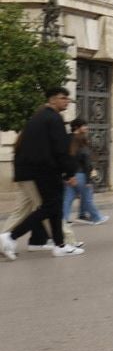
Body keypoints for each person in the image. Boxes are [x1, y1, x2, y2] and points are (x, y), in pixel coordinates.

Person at [0, 87, 82, 259]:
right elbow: (60, 149)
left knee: (52, 208)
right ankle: (10, 236)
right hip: (44, 171)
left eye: (68, 98)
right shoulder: (54, 119)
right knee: (50, 207)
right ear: (52, 100)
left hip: (30, 171)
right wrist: (70, 172)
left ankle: (60, 245)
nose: (66, 101)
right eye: (63, 98)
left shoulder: (37, 118)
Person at [62, 118, 110, 226]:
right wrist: (88, 179)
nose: (86, 128)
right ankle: (97, 217)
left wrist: (66, 175)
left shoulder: (66, 139)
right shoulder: (81, 140)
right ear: (77, 127)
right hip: (81, 174)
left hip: (70, 174)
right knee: (87, 198)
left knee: (67, 199)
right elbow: (86, 161)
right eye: (84, 126)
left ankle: (63, 220)